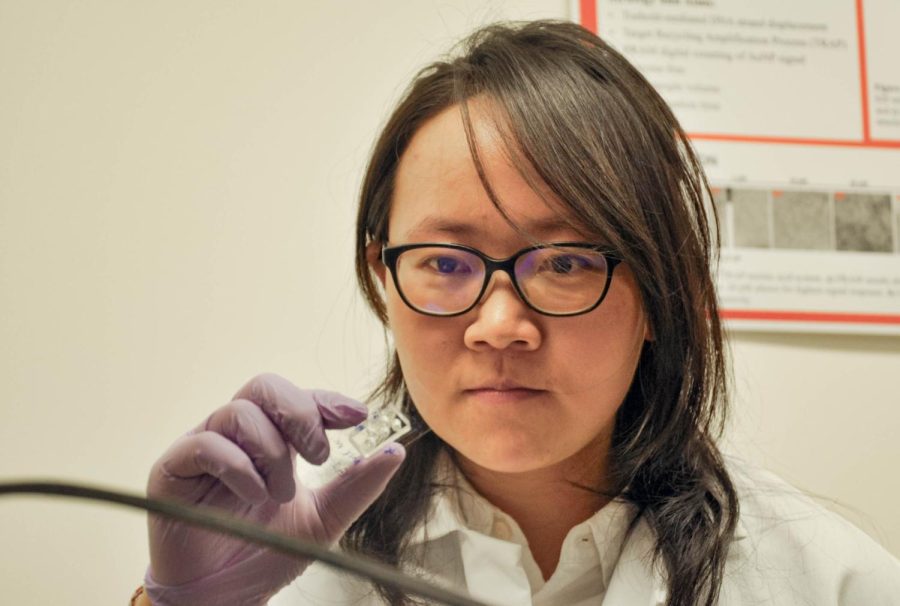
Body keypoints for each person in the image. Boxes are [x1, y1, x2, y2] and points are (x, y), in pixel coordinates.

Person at [134, 20, 900, 606]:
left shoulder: (825, 580)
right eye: (444, 262)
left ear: (664, 298)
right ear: (383, 278)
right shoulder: (288, 568)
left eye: (566, 263)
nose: (499, 325)